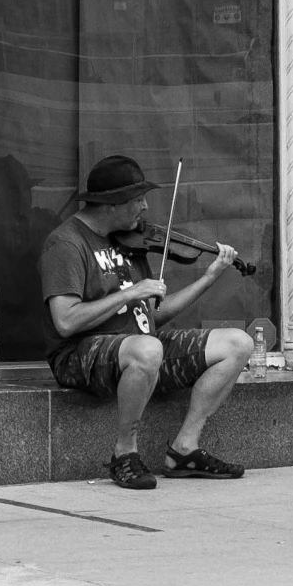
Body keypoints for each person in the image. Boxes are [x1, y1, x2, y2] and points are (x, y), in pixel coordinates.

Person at [39, 155, 257, 490]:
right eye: (138, 200)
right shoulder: (67, 243)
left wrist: (209, 278)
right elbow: (65, 321)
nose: (144, 208)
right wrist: (128, 294)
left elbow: (152, 316)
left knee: (238, 344)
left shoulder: (130, 241)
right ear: (112, 204)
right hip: (80, 354)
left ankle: (184, 449)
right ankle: (124, 452)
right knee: (147, 349)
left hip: (142, 346)